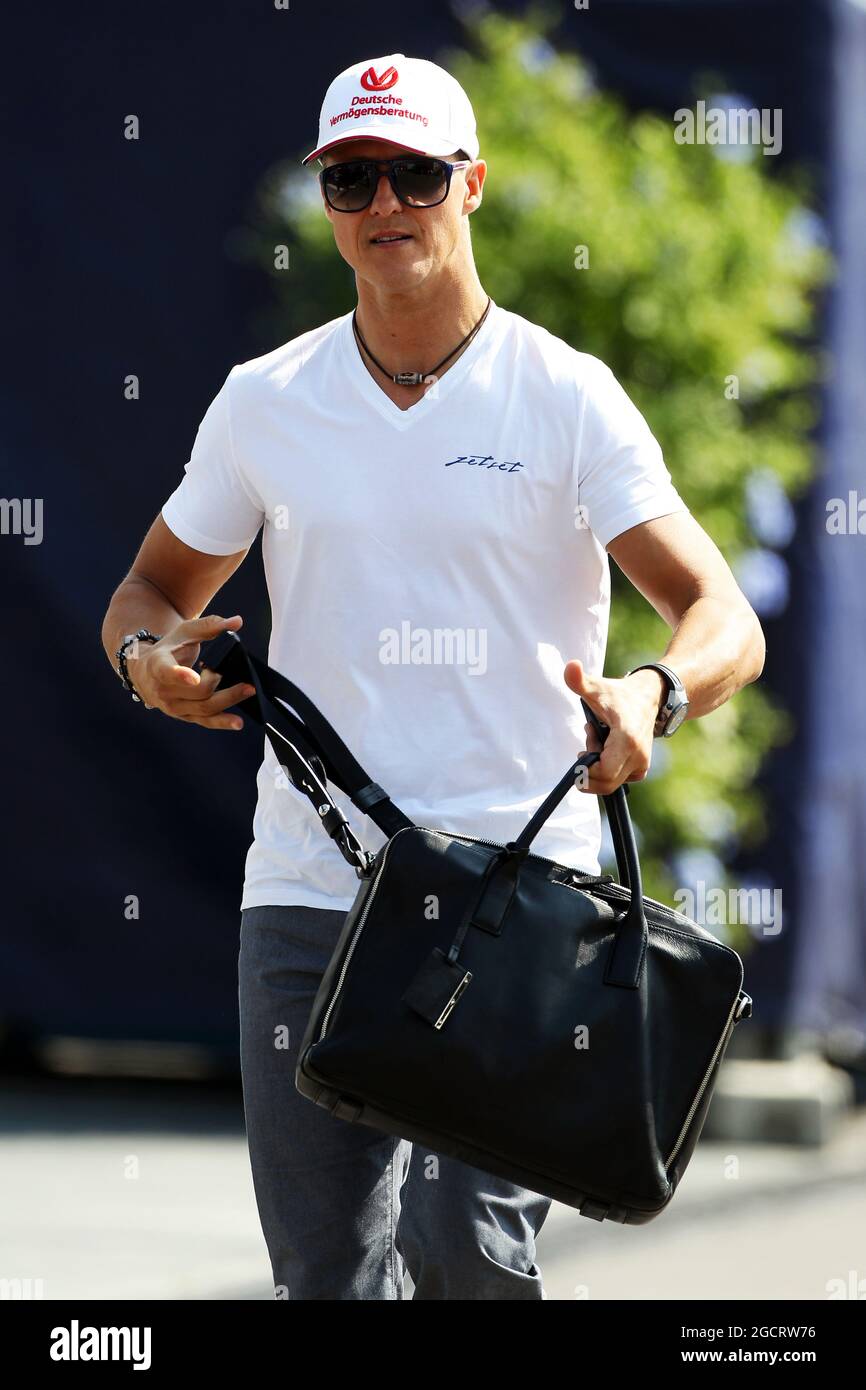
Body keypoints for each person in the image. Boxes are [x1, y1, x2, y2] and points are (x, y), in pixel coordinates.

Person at [100, 52, 765, 1300]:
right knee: (326, 1278)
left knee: (469, 1254)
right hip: (310, 889)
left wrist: (652, 694)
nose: (382, 203)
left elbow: (717, 612)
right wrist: (150, 666)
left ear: (470, 185)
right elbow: (146, 596)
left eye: (413, 173)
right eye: (352, 178)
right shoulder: (265, 403)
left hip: (515, 899)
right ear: (327, 199)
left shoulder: (567, 397)